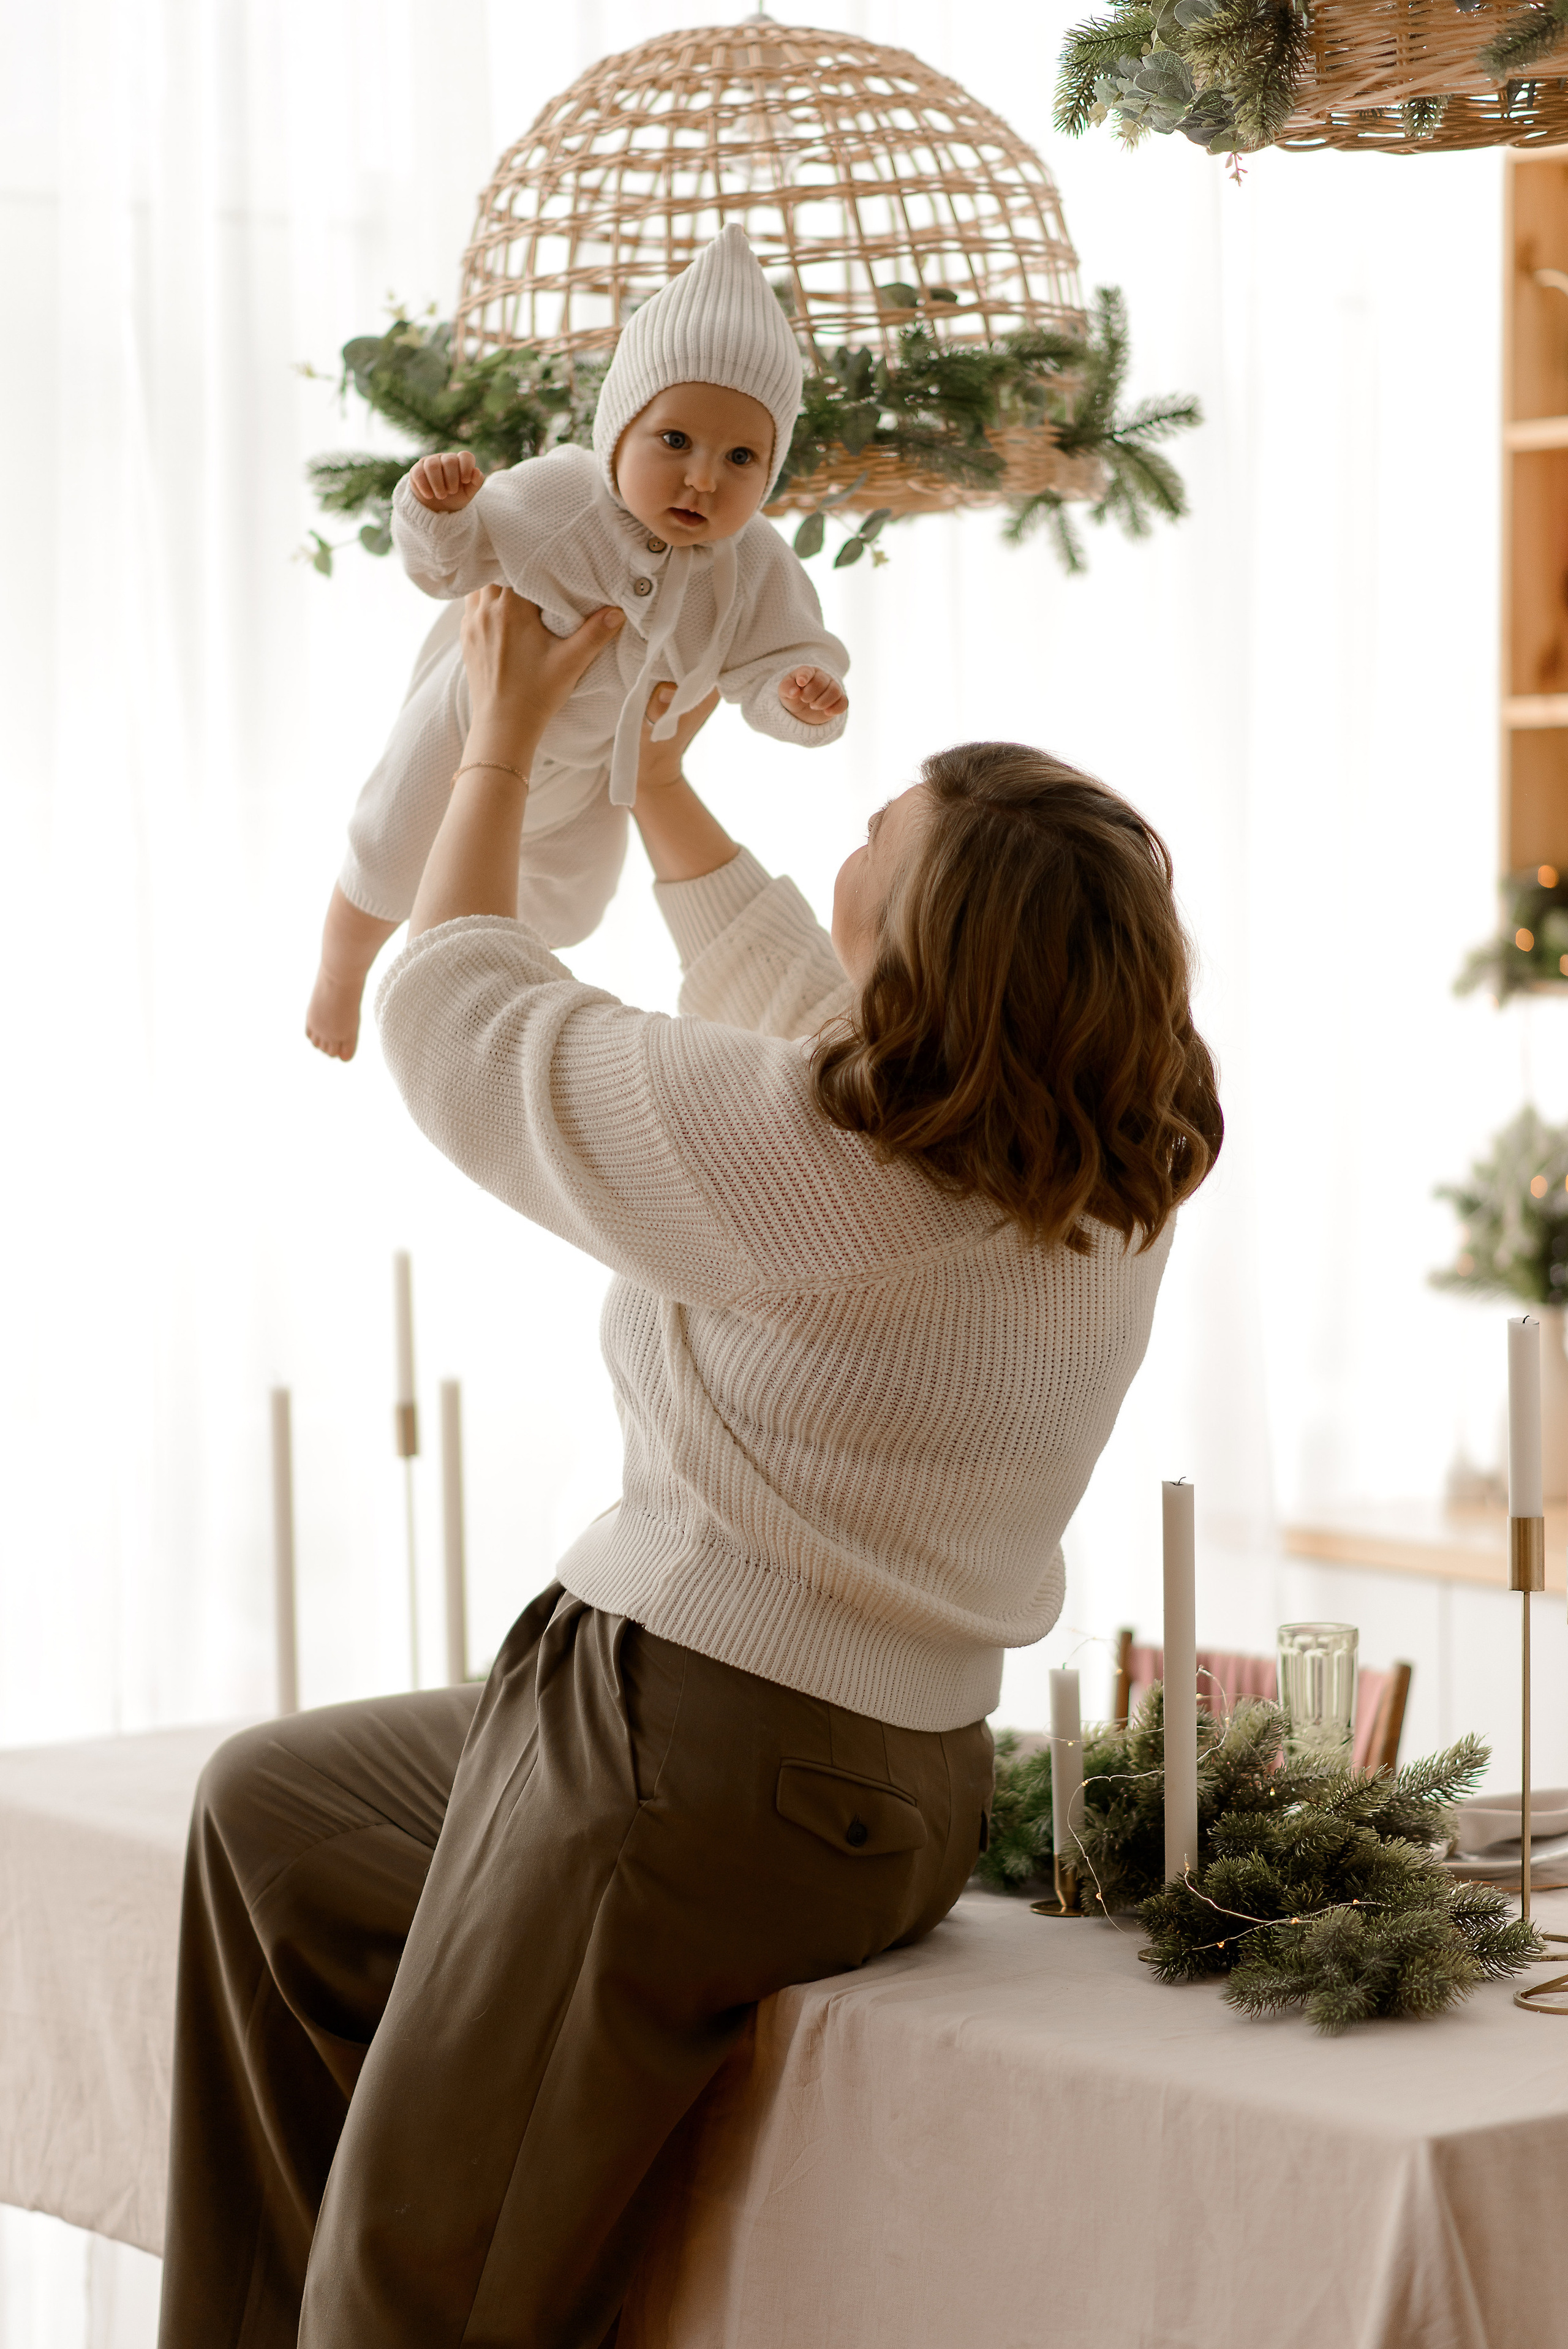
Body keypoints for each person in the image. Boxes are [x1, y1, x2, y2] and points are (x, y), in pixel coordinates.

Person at [160, 589, 1223, 2349]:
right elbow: (807, 1022)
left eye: (890, 825)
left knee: (417, 2294)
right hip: (884, 1776)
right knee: (274, 1824)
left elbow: (457, 1013)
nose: (861, 822)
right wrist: (657, 787)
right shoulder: (1083, 1155)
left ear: (942, 936)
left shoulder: (827, 1160)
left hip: (690, 1750)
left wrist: (496, 740)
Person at [305, 224, 850, 1061]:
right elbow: (451, 567)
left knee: (572, 901)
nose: (703, 477)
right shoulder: (564, 496)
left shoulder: (753, 564)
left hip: (605, 764)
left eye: (741, 456)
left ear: (770, 471)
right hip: (470, 717)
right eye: (675, 441)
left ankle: (484, 1004)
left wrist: (797, 695)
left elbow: (778, 658)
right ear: (619, 428)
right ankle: (341, 976)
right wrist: (438, 513)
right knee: (392, 851)